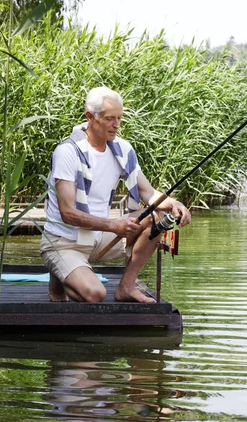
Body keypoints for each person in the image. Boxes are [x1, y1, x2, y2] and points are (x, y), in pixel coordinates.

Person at [40, 86, 191, 303]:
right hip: (63, 240)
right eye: (110, 118)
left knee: (154, 217)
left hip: (97, 237)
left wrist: (175, 204)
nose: (116, 125)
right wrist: (113, 226)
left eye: (119, 118)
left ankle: (126, 287)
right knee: (95, 295)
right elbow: (68, 213)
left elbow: (148, 192)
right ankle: (62, 274)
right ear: (90, 117)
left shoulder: (122, 149)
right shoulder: (67, 152)